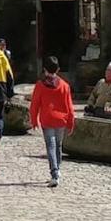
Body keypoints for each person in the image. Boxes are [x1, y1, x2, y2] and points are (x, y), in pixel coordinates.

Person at [30, 55, 76, 187]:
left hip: (47, 119)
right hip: (61, 120)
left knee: (50, 146)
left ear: (44, 69)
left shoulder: (40, 85)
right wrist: (71, 122)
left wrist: (34, 120)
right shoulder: (65, 86)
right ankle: (58, 169)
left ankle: (54, 173)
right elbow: (70, 106)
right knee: (58, 145)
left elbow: (35, 104)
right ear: (58, 69)